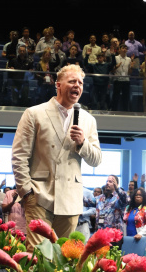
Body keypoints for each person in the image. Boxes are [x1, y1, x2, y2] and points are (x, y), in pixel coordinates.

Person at [12, 64, 102, 250]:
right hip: (39, 195)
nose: (77, 85)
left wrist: (83, 143)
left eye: (80, 83)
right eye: (72, 81)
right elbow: (19, 155)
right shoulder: (34, 113)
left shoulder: (88, 120)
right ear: (58, 85)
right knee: (37, 254)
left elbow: (96, 159)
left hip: (70, 198)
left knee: (63, 256)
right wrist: (26, 192)